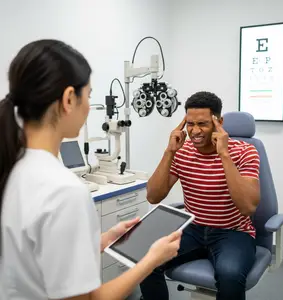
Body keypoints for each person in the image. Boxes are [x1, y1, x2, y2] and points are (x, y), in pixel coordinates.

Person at [0, 39, 182, 300]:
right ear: (69, 99)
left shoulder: (14, 168)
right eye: (89, 95)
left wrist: (104, 239)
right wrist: (151, 260)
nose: (89, 106)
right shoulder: (64, 191)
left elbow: (34, 253)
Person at [140, 91, 261, 300]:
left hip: (233, 232)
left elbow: (248, 207)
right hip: (193, 228)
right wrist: (170, 151)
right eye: (190, 124)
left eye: (203, 124)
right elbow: (153, 196)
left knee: (230, 276)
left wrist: (224, 154)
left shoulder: (245, 152)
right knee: (145, 260)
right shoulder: (182, 152)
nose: (195, 131)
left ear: (219, 122)